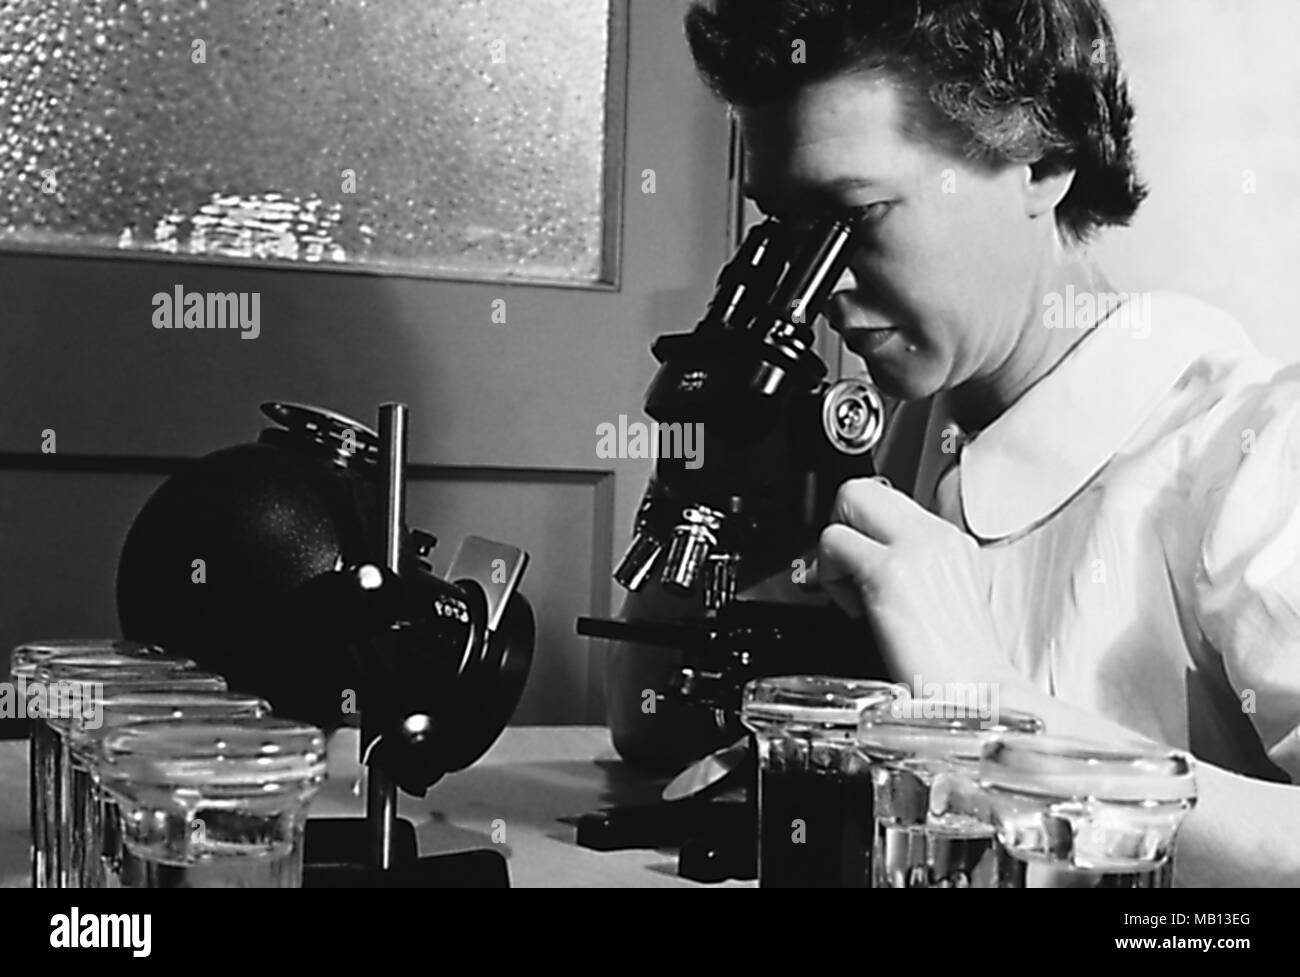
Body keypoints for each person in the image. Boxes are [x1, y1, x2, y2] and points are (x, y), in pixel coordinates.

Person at [606, 0, 1300, 886]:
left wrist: (990, 711)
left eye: (855, 215)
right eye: (787, 229)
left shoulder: (1249, 451)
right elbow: (644, 725)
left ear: (1043, 159)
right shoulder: (904, 442)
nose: (820, 288)